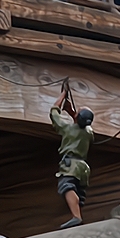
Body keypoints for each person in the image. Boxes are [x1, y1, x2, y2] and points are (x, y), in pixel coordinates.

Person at [49, 91, 93, 228]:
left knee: (66, 186)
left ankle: (76, 216)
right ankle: (78, 214)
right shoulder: (89, 132)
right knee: (78, 191)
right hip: (83, 167)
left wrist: (62, 95)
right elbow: (80, 122)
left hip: (71, 165)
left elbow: (54, 113)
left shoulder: (68, 129)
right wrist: (71, 111)